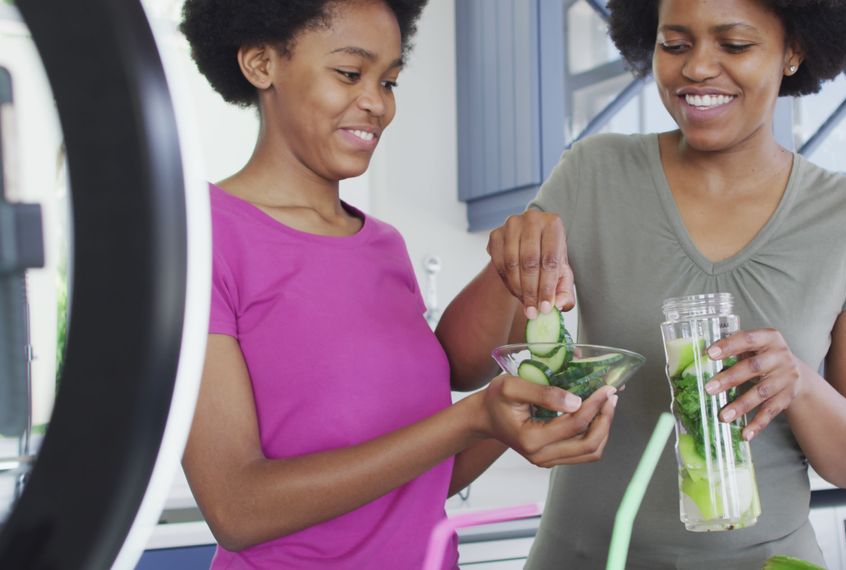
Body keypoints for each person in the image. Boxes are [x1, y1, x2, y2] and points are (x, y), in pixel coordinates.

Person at [439, 0, 846, 567]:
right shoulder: (593, 173)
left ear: (794, 51)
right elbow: (462, 367)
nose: (698, 68)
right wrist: (509, 262)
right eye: (675, 45)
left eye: (734, 45)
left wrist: (799, 385)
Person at [178, 1, 618, 568]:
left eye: (388, 81)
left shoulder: (382, 245)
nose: (376, 103)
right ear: (262, 64)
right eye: (349, 73)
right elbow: (237, 509)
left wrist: (534, 411)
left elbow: (418, 479)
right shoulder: (203, 239)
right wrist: (473, 417)